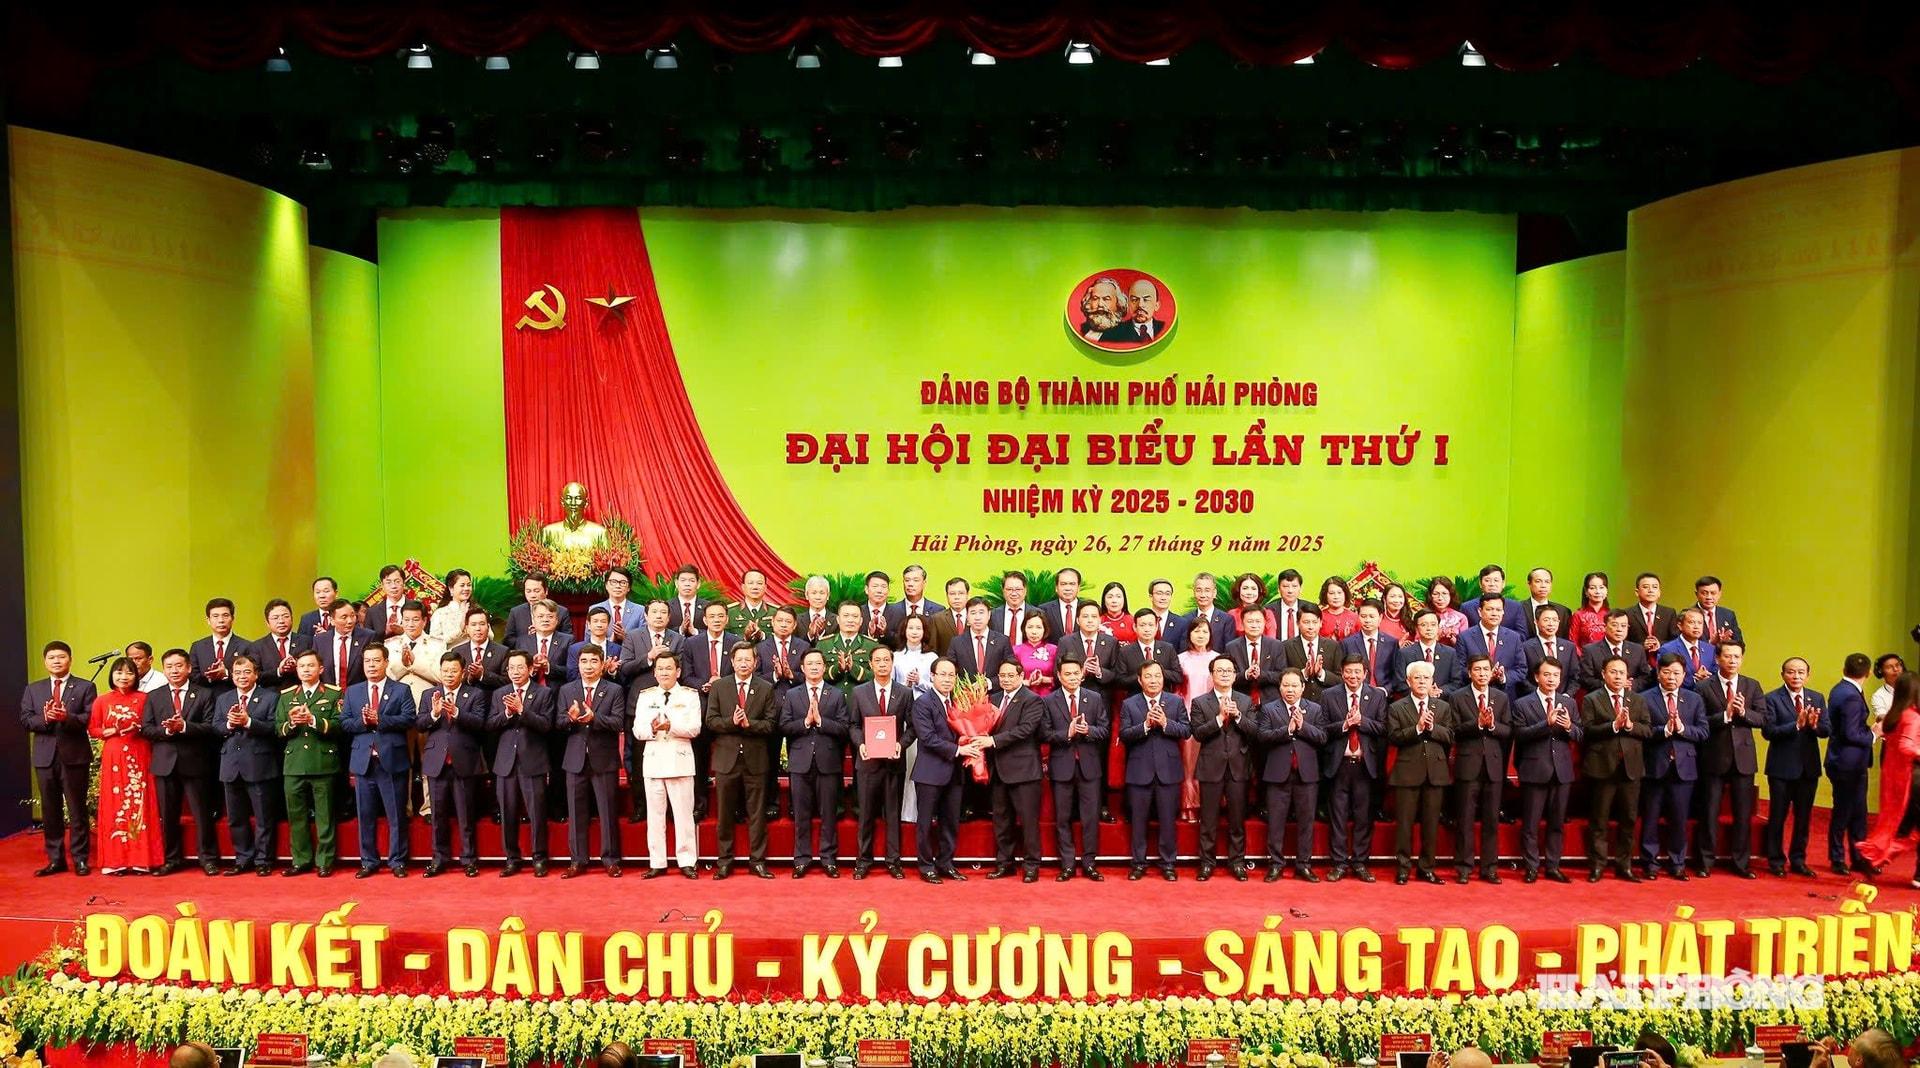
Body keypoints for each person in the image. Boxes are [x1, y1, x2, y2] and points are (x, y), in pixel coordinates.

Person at [144, 648, 220, 875]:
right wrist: (167, 730)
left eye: (179, 666)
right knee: (168, 816)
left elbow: (211, 727)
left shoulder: (205, 693)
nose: (174, 670)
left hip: (195, 762)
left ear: (188, 668)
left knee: (201, 815)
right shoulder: (154, 695)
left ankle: (207, 858)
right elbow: (146, 729)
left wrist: (184, 727)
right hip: (165, 763)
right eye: (169, 667)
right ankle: (171, 859)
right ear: (164, 670)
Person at [342, 644, 415, 878]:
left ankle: (397, 860)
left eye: (376, 661)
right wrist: (364, 722)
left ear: (386, 662)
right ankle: (369, 861)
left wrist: (380, 719)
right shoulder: (353, 692)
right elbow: (344, 723)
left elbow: (409, 719)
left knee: (396, 815)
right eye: (367, 661)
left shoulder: (401, 690)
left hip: (392, 760)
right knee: (365, 816)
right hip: (363, 762)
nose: (371, 666)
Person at [707, 642, 776, 879]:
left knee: (757, 813)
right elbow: (711, 721)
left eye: (749, 659)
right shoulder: (720, 687)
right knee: (724, 813)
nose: (744, 663)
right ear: (732, 662)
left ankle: (757, 861)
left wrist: (749, 724)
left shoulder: (766, 688)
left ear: (755, 662)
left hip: (755, 759)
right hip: (726, 759)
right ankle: (724, 861)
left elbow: (770, 725)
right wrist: (731, 722)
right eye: (740, 659)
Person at [556, 643, 625, 878]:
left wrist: (595, 718)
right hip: (574, 759)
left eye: (593, 661)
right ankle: (577, 860)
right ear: (578, 664)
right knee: (576, 813)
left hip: (603, 758)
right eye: (584, 662)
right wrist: (571, 718)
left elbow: (618, 723)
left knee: (607, 811)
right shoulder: (567, 690)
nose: (588, 666)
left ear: (603, 664)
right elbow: (557, 724)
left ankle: (611, 859)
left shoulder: (614, 690)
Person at [1696, 640, 1764, 878]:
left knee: (1743, 814)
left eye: (1737, 657)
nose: (1733, 661)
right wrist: (1725, 715)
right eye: (1728, 656)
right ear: (1717, 659)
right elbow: (1700, 721)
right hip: (1714, 755)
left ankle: (1741, 863)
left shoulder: (1751, 685)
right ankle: (1705, 861)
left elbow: (1763, 719)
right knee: (1709, 811)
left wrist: (1744, 713)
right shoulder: (1704, 687)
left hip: (1743, 757)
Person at [1582, 656, 1651, 882]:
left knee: (1629, 820)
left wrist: (1631, 726)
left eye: (1622, 672)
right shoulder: (1592, 699)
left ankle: (1625, 865)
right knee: (1599, 820)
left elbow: (1648, 731)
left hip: (1631, 768)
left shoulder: (1637, 700)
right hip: (1603, 767)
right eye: (1613, 672)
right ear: (1604, 674)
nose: (1618, 676)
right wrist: (1613, 726)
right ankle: (1597, 865)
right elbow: (1587, 731)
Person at [417, 651, 486, 878]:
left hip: (464, 761)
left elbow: (480, 723)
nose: (449, 675)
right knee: (437, 816)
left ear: (462, 672)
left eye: (453, 671)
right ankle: (439, 858)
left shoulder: (475, 694)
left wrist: (456, 712)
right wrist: (435, 714)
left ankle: (468, 859)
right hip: (437, 762)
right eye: (445, 670)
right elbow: (420, 724)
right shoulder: (430, 695)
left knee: (466, 815)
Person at [1256, 667, 1328, 882]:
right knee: (1276, 823)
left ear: (1303, 687)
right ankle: (1276, 864)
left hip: (1307, 775)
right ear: (1279, 687)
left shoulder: (1314, 709)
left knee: (1306, 822)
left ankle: (1303, 865)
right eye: (1286, 685)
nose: (1290, 689)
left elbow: (1322, 737)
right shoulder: (1269, 709)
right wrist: (1287, 730)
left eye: (1294, 685)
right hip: (1278, 774)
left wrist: (1302, 726)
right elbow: (1262, 736)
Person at [1639, 655, 1707, 879]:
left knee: (1679, 818)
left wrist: (1681, 728)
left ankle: (1677, 862)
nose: (1671, 677)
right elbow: (1643, 732)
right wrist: (1665, 730)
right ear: (1658, 673)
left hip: (1684, 768)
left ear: (1684, 675)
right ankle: (1650, 862)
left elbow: (1703, 732)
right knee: (1651, 817)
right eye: (1666, 672)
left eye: (1676, 673)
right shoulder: (1645, 698)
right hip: (1654, 766)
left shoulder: (1694, 699)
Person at [91, 657, 161, 875]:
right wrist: (107, 732)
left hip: (139, 752)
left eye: (129, 673)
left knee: (140, 802)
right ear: (112, 675)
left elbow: (152, 725)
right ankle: (115, 861)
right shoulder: (102, 700)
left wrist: (137, 727)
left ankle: (142, 859)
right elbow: (93, 729)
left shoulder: (145, 699)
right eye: (119, 673)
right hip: (113, 754)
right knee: (115, 802)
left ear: (136, 676)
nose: (124, 677)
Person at [634, 651, 702, 879]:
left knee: (684, 815)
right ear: (654, 672)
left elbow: (694, 728)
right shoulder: (646, 696)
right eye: (660, 668)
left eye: (668, 668)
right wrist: (653, 729)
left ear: (678, 671)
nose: (664, 672)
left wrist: (670, 726)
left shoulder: (689, 695)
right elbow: (637, 730)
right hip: (653, 761)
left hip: (679, 760)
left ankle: (687, 861)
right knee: (654, 816)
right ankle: (657, 861)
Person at [1120, 661, 1189, 880]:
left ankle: (1168, 863)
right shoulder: (1129, 704)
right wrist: (1146, 726)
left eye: (1157, 676)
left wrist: (1165, 723)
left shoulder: (1175, 702)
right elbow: (1124, 734)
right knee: (1138, 821)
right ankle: (1138, 863)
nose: (1153, 680)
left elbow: (1186, 730)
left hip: (1168, 770)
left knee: (1168, 820)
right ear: (1140, 680)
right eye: (1148, 676)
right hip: (1139, 771)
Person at [1512, 657, 1580, 882]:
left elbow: (1580, 734)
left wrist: (1569, 727)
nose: (1551, 679)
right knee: (1530, 824)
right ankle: (1531, 867)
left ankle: (1553, 865)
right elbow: (1520, 735)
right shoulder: (1523, 703)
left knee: (1557, 823)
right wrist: (1546, 724)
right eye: (1547, 675)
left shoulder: (1568, 703)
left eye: (1556, 676)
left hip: (1562, 772)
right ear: (1537, 677)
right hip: (1534, 769)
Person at [783, 649, 849, 878]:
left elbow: (844, 728)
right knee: (801, 815)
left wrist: (821, 722)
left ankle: (828, 858)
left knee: (829, 814)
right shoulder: (792, 695)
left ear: (824, 667)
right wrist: (805, 722)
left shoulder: (837, 694)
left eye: (818, 663)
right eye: (809, 663)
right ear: (802, 668)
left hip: (828, 761)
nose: (813, 667)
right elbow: (784, 727)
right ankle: (801, 858)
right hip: (800, 762)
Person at [980, 658, 1047, 881]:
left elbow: (1025, 730)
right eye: (1003, 676)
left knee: (1028, 822)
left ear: (1021, 676)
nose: (1006, 680)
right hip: (998, 769)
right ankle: (1004, 863)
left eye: (1011, 676)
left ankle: (1031, 865)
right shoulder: (993, 698)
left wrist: (992, 741)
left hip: (1024, 771)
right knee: (1002, 820)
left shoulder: (1033, 700)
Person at [1762, 656, 1829, 877]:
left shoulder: (1816, 698)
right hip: (1781, 768)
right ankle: (1776, 860)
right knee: (1778, 816)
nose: (1796, 676)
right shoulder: (1771, 698)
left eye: (1801, 672)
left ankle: (1798, 860)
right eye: (1791, 672)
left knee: (1803, 817)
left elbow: (1826, 730)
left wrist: (1814, 725)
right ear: (1783, 674)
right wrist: (1796, 725)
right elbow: (1768, 732)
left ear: (1808, 676)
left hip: (1808, 768)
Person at [1322, 654, 1386, 882]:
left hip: (1364, 766)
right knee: (1337, 816)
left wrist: (1362, 722)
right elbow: (1323, 729)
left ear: (1365, 673)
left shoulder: (1377, 696)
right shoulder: (1329, 695)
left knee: (1363, 817)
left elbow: (1383, 728)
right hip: (1338, 765)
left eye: (1357, 671)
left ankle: (1360, 862)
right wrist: (1345, 725)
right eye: (1348, 671)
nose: (1353, 676)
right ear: (1341, 672)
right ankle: (1339, 863)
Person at [850, 645, 913, 879]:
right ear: (871, 664)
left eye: (887, 660)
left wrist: (901, 744)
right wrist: (861, 745)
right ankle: (863, 860)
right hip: (868, 763)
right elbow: (853, 725)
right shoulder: (859, 692)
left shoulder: (904, 693)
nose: (883, 664)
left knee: (893, 814)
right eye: (878, 660)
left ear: (892, 663)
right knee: (866, 813)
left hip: (893, 763)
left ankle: (893, 860)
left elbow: (913, 726)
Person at [1188, 654, 1253, 879]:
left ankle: (1237, 862)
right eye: (1219, 670)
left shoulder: (1245, 702)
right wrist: (1217, 719)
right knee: (1208, 820)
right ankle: (1206, 862)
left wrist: (1237, 717)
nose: (1224, 674)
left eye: (1228, 671)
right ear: (1212, 675)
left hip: (1238, 766)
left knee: (1237, 820)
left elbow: (1254, 731)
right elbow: (1197, 733)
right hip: (1211, 766)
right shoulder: (1199, 702)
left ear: (1235, 675)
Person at [278, 650, 343, 877]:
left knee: (325, 815)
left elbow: (340, 725)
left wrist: (313, 720)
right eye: (301, 666)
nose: (305, 670)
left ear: (321, 669)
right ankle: (301, 860)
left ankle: (325, 860)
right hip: (294, 763)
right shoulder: (286, 696)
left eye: (310, 666)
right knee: (296, 815)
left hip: (322, 761)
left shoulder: (334, 694)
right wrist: (293, 723)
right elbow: (278, 728)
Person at [215, 653, 281, 876]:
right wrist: (229, 725)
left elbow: (274, 728)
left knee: (263, 817)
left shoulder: (270, 697)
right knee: (236, 817)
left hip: (259, 763)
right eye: (237, 673)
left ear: (256, 674)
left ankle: (263, 859)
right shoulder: (224, 699)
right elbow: (215, 727)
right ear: (232, 676)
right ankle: (243, 858)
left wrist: (249, 722)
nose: (242, 677)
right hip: (230, 764)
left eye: (246, 672)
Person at [1386, 661, 1452, 884]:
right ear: (1408, 681)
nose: (1422, 681)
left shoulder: (1442, 707)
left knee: (1431, 824)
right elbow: (1393, 737)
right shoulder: (1397, 707)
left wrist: (1432, 728)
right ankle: (1403, 867)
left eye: (1426, 678)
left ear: (1432, 681)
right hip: (1407, 772)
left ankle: (1427, 868)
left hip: (1435, 772)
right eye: (1417, 678)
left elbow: (1450, 737)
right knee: (1404, 825)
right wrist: (1416, 729)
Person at [1446, 655, 1509, 883]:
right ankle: (1464, 867)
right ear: (1469, 673)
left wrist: (1491, 725)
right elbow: (1453, 730)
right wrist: (1477, 725)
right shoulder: (1457, 697)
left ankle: (1489, 867)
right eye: (1477, 670)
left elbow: (1508, 730)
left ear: (1492, 672)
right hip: (1468, 764)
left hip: (1493, 765)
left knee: (1491, 819)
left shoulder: (1501, 698)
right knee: (1465, 819)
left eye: (1486, 669)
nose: (1482, 674)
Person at [489, 650, 552, 877]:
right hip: (505, 762)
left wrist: (523, 711)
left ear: (530, 669)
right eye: (511, 668)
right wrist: (507, 713)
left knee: (536, 812)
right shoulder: (499, 694)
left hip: (532, 761)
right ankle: (512, 858)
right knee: (508, 812)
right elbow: (490, 725)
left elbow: (546, 725)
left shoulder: (543, 693)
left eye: (519, 667)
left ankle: (539, 858)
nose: (515, 672)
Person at [1046, 657, 1107, 880]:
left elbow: (1104, 730)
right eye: (1067, 674)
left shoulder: (1094, 698)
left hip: (1089, 767)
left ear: (1082, 674)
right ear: (1059, 676)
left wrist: (1088, 730)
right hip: (1062, 767)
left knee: (1090, 818)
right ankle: (1068, 864)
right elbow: (1045, 734)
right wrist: (1067, 734)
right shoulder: (1049, 701)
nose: (1072, 677)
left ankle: (1090, 863)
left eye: (1075, 673)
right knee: (1063, 818)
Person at [910, 658, 970, 883]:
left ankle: (946, 862)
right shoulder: (923, 703)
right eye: (943, 675)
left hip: (955, 772)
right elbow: (927, 738)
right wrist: (959, 749)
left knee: (951, 820)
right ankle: (926, 866)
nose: (947, 679)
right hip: (930, 772)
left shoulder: (960, 701)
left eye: (951, 675)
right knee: (925, 822)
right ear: (932, 676)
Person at [1862, 675, 1920, 880]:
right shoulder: (1912, 716)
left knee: (1899, 824)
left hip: (1895, 775)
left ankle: (1874, 855)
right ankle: (1877, 856)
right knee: (1910, 830)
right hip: (1912, 777)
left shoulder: (1893, 716)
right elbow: (1907, 747)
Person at [1827, 653, 1877, 875]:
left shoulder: (1840, 690)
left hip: (1844, 760)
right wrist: (1874, 734)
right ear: (1867, 673)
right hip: (1848, 762)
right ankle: (1839, 858)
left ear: (1844, 668)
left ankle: (1857, 857)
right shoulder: (1851, 696)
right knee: (1846, 812)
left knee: (1855, 812)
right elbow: (1851, 733)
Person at [1175, 619, 1217, 820]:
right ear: (1189, 635)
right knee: (1187, 766)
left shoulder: (1218, 659)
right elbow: (1176, 691)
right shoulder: (1180, 659)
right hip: (1187, 716)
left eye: (1205, 631)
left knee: (1207, 764)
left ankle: (1205, 806)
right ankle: (1187, 806)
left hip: (1211, 718)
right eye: (1196, 631)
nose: (1201, 635)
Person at [1114, 609, 1185, 702]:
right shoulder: (1125, 651)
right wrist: (1143, 675)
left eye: (1151, 625)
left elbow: (1178, 677)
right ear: (1135, 627)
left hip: (1164, 701)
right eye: (1142, 625)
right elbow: (1119, 682)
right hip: (1135, 703)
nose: (1147, 629)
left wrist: (1158, 671)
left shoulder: (1168, 648)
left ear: (1156, 627)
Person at [1580, 609, 1652, 696]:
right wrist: (1611, 685)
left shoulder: (1637, 650)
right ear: (1605, 627)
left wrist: (1632, 685)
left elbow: (1646, 677)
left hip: (1630, 698)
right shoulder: (1590, 650)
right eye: (1614, 625)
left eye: (1623, 626)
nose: (1619, 629)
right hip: (1601, 699)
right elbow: (1585, 679)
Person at [1457, 597, 1522, 693]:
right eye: (1489, 609)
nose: (1494, 613)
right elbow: (1459, 668)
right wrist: (1482, 675)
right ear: (1480, 611)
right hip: (1474, 695)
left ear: (1503, 612)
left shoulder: (1514, 637)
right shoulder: (1465, 637)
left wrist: (1503, 677)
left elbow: (1521, 668)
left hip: (1505, 696)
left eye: (1498, 610)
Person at [1391, 609, 1460, 698]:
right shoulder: (1405, 653)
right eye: (1423, 625)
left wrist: (1439, 691)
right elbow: (1399, 684)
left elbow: (1456, 682)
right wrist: (1422, 693)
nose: (1429, 628)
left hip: (1443, 703)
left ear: (1438, 627)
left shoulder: (1450, 653)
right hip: (1413, 704)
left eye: (1433, 625)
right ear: (1416, 628)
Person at [1225, 605, 1285, 706]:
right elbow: (1228, 676)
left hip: (1270, 703)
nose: (1254, 625)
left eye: (1258, 621)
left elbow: (1282, 675)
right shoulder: (1231, 647)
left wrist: (1262, 674)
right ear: (1242, 624)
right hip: (1241, 703)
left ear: (1265, 623)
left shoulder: (1276, 645)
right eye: (1250, 622)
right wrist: (1246, 675)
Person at [1518, 605, 1580, 701]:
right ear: (1536, 622)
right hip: (1535, 700)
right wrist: (1539, 695)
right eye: (1546, 620)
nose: (1551, 624)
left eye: (1555, 620)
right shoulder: (1526, 647)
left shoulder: (1569, 647)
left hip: (1563, 700)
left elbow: (1575, 676)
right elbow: (1522, 677)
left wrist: (1567, 695)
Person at [820, 602, 883, 694]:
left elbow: (878, 676)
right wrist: (837, 669)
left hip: (861, 701)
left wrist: (854, 668)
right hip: (831, 700)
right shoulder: (824, 644)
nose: (850, 620)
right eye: (846, 616)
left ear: (861, 621)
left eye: (855, 616)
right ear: (838, 619)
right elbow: (816, 675)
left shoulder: (871, 645)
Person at [1283, 605, 1342, 702]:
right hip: (1298, 702)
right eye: (1306, 622)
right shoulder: (1286, 646)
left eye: (1314, 622)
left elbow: (1341, 680)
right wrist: (1303, 674)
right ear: (1298, 623)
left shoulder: (1333, 646)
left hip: (1326, 702)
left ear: (1321, 623)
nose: (1311, 627)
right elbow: (1281, 678)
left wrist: (1321, 673)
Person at [948, 596, 1012, 678]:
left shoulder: (1002, 641)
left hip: (995, 690)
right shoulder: (956, 642)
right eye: (973, 613)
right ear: (967, 616)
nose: (977, 618)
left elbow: (1010, 670)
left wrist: (989, 683)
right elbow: (951, 671)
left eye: (981, 612)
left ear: (989, 615)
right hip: (966, 689)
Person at [190, 597, 242, 696]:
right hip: (205, 701)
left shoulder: (246, 646)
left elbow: (250, 676)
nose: (221, 620)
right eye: (215, 616)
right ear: (208, 620)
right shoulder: (197, 647)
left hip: (234, 699)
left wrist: (226, 673)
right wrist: (210, 677)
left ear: (232, 618)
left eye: (225, 615)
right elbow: (193, 677)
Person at [315, 600, 371, 691]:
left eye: (352, 616)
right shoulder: (320, 640)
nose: (350, 621)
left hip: (359, 694)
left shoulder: (368, 637)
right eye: (344, 617)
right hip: (328, 695)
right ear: (332, 620)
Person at [507, 573, 573, 646]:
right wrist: (527, 639)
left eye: (536, 591)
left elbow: (568, 639)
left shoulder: (561, 612)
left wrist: (547, 633)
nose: (532, 595)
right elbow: (508, 640)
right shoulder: (516, 612)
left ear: (546, 591)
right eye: (528, 591)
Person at [1342, 599, 1395, 689]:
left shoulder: (1391, 643)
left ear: (1380, 617)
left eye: (1371, 616)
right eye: (1363, 616)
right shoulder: (1347, 643)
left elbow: (1396, 674)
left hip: (1386, 695)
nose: (1367, 620)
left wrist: (1386, 690)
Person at [1657, 608, 1715, 689]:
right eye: (1691, 622)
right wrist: (1695, 680)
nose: (1696, 626)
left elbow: (1716, 674)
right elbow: (1664, 678)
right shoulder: (1668, 649)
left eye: (1700, 623)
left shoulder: (1710, 649)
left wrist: (1707, 678)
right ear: (1680, 625)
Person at [1460, 564, 1525, 632]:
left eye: (1496, 580)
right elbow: (1463, 637)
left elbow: (1522, 634)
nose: (1492, 584)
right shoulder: (1467, 607)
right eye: (1487, 580)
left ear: (1503, 583)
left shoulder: (1516, 607)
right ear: (1480, 583)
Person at [887, 564, 949, 633]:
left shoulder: (938, 610)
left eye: (915, 580)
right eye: (907, 580)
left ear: (924, 583)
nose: (910, 584)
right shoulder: (891, 610)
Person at [592, 566, 646, 645]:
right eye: (613, 582)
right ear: (606, 585)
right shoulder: (595, 609)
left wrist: (625, 637)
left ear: (629, 588)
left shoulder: (640, 610)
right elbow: (590, 640)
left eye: (623, 583)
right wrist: (610, 640)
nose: (618, 586)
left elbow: (644, 641)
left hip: (631, 655)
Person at [1625, 572, 1677, 651]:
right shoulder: (1628, 614)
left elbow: (1675, 640)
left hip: (1663, 658)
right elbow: (1624, 642)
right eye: (1646, 587)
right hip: (1638, 659)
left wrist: (1659, 644)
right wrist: (1642, 646)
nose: (1651, 590)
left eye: (1655, 587)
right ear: (1637, 592)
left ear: (1659, 592)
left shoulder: (1669, 613)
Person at [1012, 611, 1058, 698]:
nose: (1034, 632)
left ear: (1045, 629)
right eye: (1030, 627)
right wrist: (1025, 682)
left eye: (1038, 627)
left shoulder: (1054, 650)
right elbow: (1010, 679)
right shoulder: (1016, 650)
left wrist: (1044, 679)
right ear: (1024, 629)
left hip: (1049, 698)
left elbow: (1062, 677)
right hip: (1023, 698)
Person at [1515, 568, 1571, 639]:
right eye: (1538, 581)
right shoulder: (1518, 608)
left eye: (1547, 582)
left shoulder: (1563, 611)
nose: (1543, 585)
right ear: (1529, 584)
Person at [727, 568, 779, 644]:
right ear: (743, 587)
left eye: (759, 583)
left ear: (765, 588)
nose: (755, 587)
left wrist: (762, 635)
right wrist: (744, 636)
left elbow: (782, 637)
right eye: (750, 583)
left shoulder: (776, 612)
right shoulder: (730, 611)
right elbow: (724, 638)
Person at [1185, 572, 1233, 653]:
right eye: (1199, 590)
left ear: (1214, 593)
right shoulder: (1185, 619)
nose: (1203, 595)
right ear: (1194, 592)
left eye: (1207, 590)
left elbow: (1229, 650)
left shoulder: (1226, 620)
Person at [1692, 575, 1744, 647]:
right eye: (1704, 593)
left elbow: (1740, 644)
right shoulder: (1688, 615)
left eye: (1713, 593)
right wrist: (1710, 643)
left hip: (1724, 657)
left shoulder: (1728, 614)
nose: (1709, 597)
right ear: (1696, 594)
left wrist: (1727, 643)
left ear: (1719, 594)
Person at [1038, 566, 1086, 641]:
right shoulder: (1044, 610)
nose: (1068, 588)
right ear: (1056, 588)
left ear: (1078, 587)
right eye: (1063, 584)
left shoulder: (1087, 608)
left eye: (1072, 584)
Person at [429, 569, 476, 645]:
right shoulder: (440, 613)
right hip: (452, 655)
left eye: (469, 585)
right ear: (451, 589)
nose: (466, 588)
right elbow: (434, 642)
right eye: (462, 585)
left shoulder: (476, 610)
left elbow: (491, 636)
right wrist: (460, 629)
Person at [1265, 569, 1313, 642]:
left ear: (1300, 589)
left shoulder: (1310, 608)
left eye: (1294, 586)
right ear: (1278, 589)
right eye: (1285, 586)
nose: (1290, 591)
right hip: (1278, 651)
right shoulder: (1269, 610)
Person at [1143, 578, 1189, 652]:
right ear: (1151, 596)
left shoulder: (1181, 623)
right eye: (1159, 593)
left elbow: (1183, 653)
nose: (1163, 598)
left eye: (1167, 594)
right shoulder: (1141, 620)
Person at [365, 564, 409, 639]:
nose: (393, 586)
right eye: (388, 582)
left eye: (397, 581)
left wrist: (404, 633)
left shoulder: (417, 608)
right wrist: (386, 632)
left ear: (403, 583)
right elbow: (368, 642)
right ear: (382, 586)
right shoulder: (372, 612)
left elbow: (425, 636)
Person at [1568, 571, 1610, 649]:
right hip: (1584, 659)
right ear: (1586, 592)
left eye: (1601, 587)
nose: (1597, 591)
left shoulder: (1611, 615)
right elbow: (1573, 643)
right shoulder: (1578, 615)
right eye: (1592, 588)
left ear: (1606, 591)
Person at [986, 570, 1030, 643]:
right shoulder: (993, 615)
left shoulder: (1036, 613)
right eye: (1009, 589)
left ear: (1025, 590)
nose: (1014, 593)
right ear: (1003, 590)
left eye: (1018, 589)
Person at [1226, 574, 1274, 638]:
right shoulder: (1232, 614)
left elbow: (1272, 641)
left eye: (1253, 589)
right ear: (1238, 590)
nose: (1249, 592)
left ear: (1260, 591)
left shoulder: (1267, 614)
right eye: (1245, 588)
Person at [1425, 577, 1469, 645]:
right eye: (1436, 594)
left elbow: (1465, 645)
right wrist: (1437, 637)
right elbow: (1417, 642)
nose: (1440, 598)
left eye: (1444, 593)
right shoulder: (1424, 617)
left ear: (1451, 595)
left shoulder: (1461, 618)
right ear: (1430, 596)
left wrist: (1454, 640)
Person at [858, 570, 893, 643]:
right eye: (875, 586)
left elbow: (901, 640)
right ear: (866, 589)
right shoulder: (858, 612)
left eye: (883, 587)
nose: (879, 591)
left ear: (888, 590)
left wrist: (884, 632)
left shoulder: (898, 612)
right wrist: (870, 633)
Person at [1872, 654, 1906, 728]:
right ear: (1880, 671)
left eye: (1898, 665)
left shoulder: (1913, 688)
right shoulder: (1878, 695)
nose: (1896, 669)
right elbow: (1881, 716)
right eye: (1889, 667)